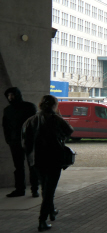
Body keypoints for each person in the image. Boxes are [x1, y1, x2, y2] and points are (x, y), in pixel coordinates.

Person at [22, 95, 73, 232]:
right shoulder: (55, 119)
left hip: (37, 160)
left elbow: (25, 141)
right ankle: (42, 220)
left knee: (45, 187)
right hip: (53, 159)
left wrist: (30, 155)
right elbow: (69, 131)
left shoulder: (30, 120)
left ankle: (51, 211)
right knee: (49, 190)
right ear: (54, 105)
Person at [3, 87, 39, 198]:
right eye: (9, 95)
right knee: (19, 167)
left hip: (28, 140)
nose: (10, 97)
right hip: (15, 141)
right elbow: (5, 126)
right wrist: (8, 139)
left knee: (31, 166)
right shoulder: (8, 110)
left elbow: (35, 124)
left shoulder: (29, 107)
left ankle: (34, 189)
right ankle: (20, 189)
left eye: (12, 95)